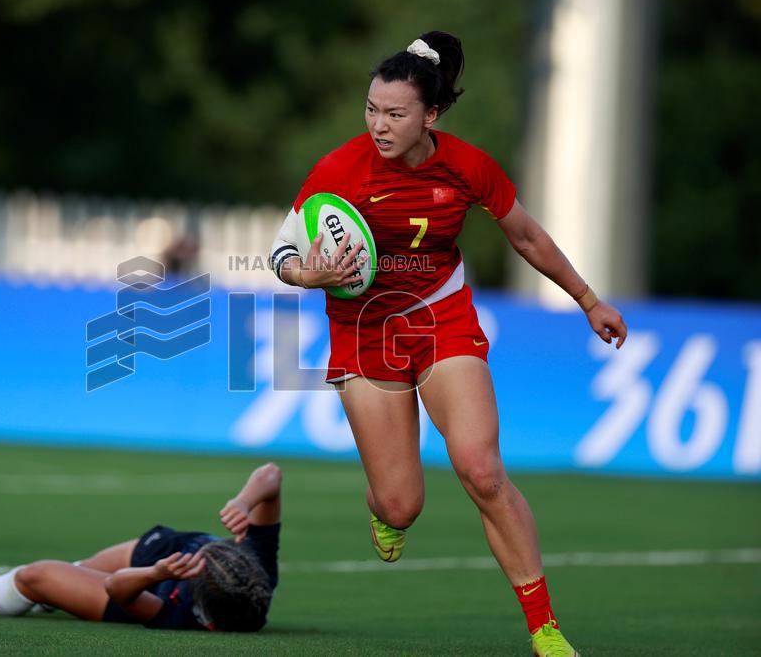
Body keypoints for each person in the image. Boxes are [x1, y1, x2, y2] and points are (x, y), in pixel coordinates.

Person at [268, 32, 626, 657]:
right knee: (403, 504)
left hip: (441, 318)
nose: (379, 124)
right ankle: (383, 508)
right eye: (372, 109)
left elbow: (528, 237)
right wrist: (308, 273)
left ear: (430, 116)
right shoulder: (341, 168)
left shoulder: (466, 165)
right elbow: (281, 253)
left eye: (395, 113)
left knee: (483, 471)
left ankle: (544, 627)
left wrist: (589, 300)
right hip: (363, 331)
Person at [0, 463, 281, 632]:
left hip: (141, 583)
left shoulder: (181, 616)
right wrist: (244, 503)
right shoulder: (258, 567)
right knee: (80, 568)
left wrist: (156, 574)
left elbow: (117, 590)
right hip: (161, 549)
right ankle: (9, 592)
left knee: (35, 576)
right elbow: (271, 474)